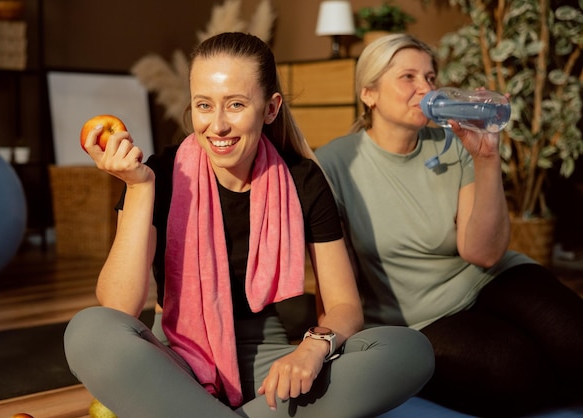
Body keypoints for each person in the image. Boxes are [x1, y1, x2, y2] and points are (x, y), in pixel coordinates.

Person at [64, 32, 434, 418]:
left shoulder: (302, 179)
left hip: (269, 363)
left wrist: (310, 350)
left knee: (408, 350)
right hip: (176, 355)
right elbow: (120, 306)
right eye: (204, 105)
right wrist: (140, 187)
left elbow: (344, 306)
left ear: (270, 108)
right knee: (90, 329)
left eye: (236, 104)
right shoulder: (158, 174)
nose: (218, 125)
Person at [315, 33, 583, 417]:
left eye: (430, 77)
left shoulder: (453, 142)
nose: (425, 88)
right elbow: (333, 279)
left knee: (575, 341)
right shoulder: (336, 164)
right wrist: (336, 347)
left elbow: (483, 253)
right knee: (515, 374)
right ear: (368, 93)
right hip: (423, 316)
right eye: (408, 77)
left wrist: (486, 158)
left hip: (490, 278)